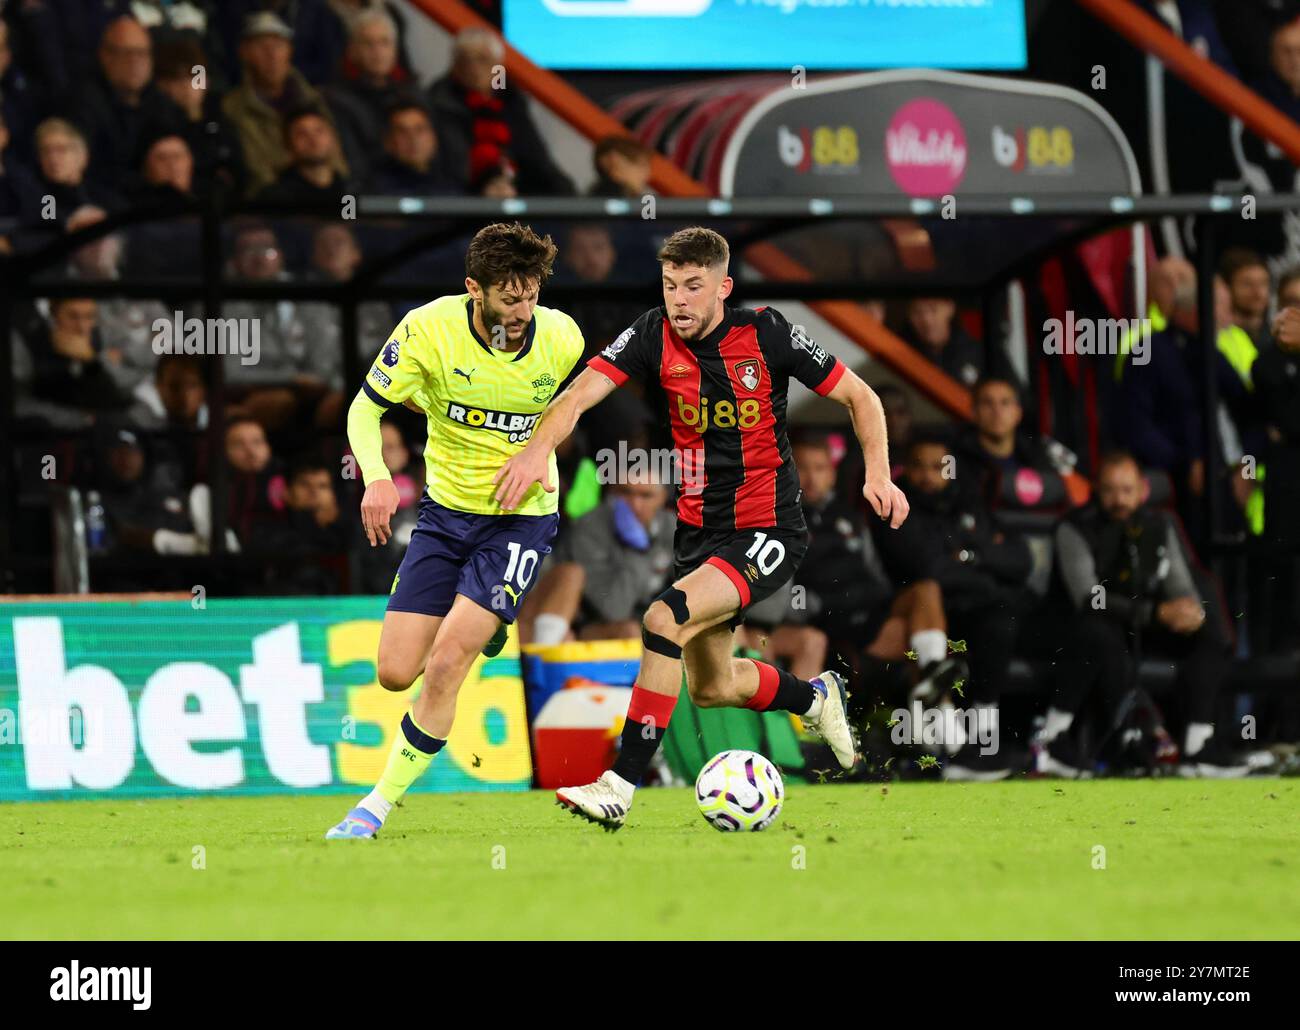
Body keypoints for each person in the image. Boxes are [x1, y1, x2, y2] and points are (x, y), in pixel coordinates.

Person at [494, 226, 909, 829]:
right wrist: (536, 452)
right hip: (698, 534)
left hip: (767, 527)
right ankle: (813, 698)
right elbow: (578, 395)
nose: (680, 300)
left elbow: (861, 396)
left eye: (694, 286)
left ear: (724, 287)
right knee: (714, 686)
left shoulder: (766, 333)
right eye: (670, 286)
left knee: (663, 619)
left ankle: (619, 784)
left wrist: (879, 473)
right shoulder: (650, 333)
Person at [324, 222, 585, 840]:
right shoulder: (427, 330)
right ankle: (487, 614)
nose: (524, 311)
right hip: (445, 515)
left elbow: (570, 407)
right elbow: (367, 406)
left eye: (533, 294)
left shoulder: (562, 337)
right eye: (509, 297)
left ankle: (375, 806)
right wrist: (378, 478)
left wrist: (537, 451)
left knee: (447, 661)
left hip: (522, 518)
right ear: (474, 288)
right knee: (394, 671)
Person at [1036, 451, 1247, 778]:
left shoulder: (1159, 523)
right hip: (1084, 629)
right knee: (1100, 633)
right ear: (1096, 490)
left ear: (1143, 490)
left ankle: (1197, 747)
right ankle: (1067, 739)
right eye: (1109, 490)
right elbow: (1090, 597)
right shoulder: (1075, 527)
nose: (1119, 499)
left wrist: (1187, 611)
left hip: (1142, 624)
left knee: (1209, 632)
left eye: (1126, 489)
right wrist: (1155, 613)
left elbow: (1179, 581)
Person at [875, 434, 1033, 781]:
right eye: (919, 466)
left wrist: (968, 557)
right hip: (903, 613)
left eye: (938, 467)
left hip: (967, 610)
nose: (929, 475)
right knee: (927, 590)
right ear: (906, 469)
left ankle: (978, 740)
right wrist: (978, 564)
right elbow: (925, 567)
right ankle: (949, 722)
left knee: (1001, 617)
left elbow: (1020, 559)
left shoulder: (968, 503)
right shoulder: (893, 506)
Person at [521, 472, 674, 644]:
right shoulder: (590, 527)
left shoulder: (672, 528)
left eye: (646, 496)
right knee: (631, 632)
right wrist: (637, 550)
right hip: (584, 626)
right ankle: (547, 662)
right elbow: (614, 610)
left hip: (648, 621)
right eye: (625, 492)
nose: (635, 504)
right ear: (612, 493)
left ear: (662, 498)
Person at [427, 27, 573, 196]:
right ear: (455, 66)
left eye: (483, 60)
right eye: (466, 61)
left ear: (498, 66)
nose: (474, 68)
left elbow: (536, 157)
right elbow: (451, 168)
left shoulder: (512, 101)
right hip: (467, 199)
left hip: (518, 191)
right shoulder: (440, 102)